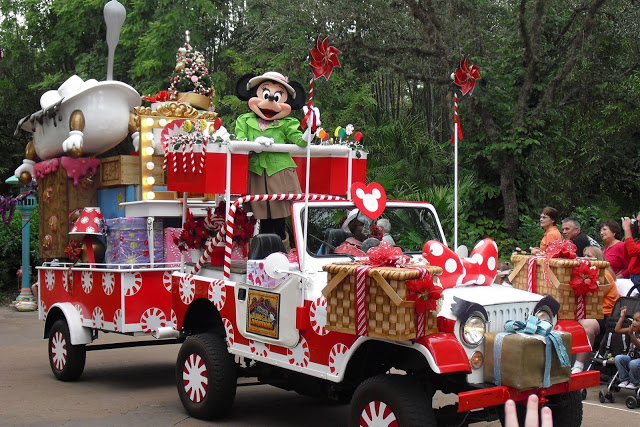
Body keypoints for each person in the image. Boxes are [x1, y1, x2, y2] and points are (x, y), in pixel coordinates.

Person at [235, 71, 310, 242]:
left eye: (277, 97)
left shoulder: (287, 123)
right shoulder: (244, 120)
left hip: (279, 172)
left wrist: (310, 130)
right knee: (262, 216)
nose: (269, 100)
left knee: (279, 217)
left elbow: (301, 141)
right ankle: (262, 252)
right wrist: (255, 145)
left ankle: (281, 252)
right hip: (256, 172)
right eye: (266, 94)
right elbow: (240, 141)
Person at [571, 246, 619, 373]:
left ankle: (579, 365)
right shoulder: (585, 274)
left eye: (589, 256)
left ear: (598, 258)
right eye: (584, 255)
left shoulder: (605, 275)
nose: (585, 258)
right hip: (589, 312)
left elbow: (591, 295)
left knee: (586, 325)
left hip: (605, 315)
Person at [613, 305, 640, 389]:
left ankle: (634, 382)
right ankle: (625, 379)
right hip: (632, 357)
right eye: (633, 320)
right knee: (618, 358)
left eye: (637, 321)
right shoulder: (632, 330)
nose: (633, 322)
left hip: (637, 361)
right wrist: (622, 317)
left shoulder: (632, 333)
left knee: (633, 363)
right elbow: (617, 330)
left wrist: (632, 335)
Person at [622, 212, 640, 287]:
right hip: (634, 277)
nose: (638, 225)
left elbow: (632, 251)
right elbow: (627, 254)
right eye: (638, 221)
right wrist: (630, 232)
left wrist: (627, 230)